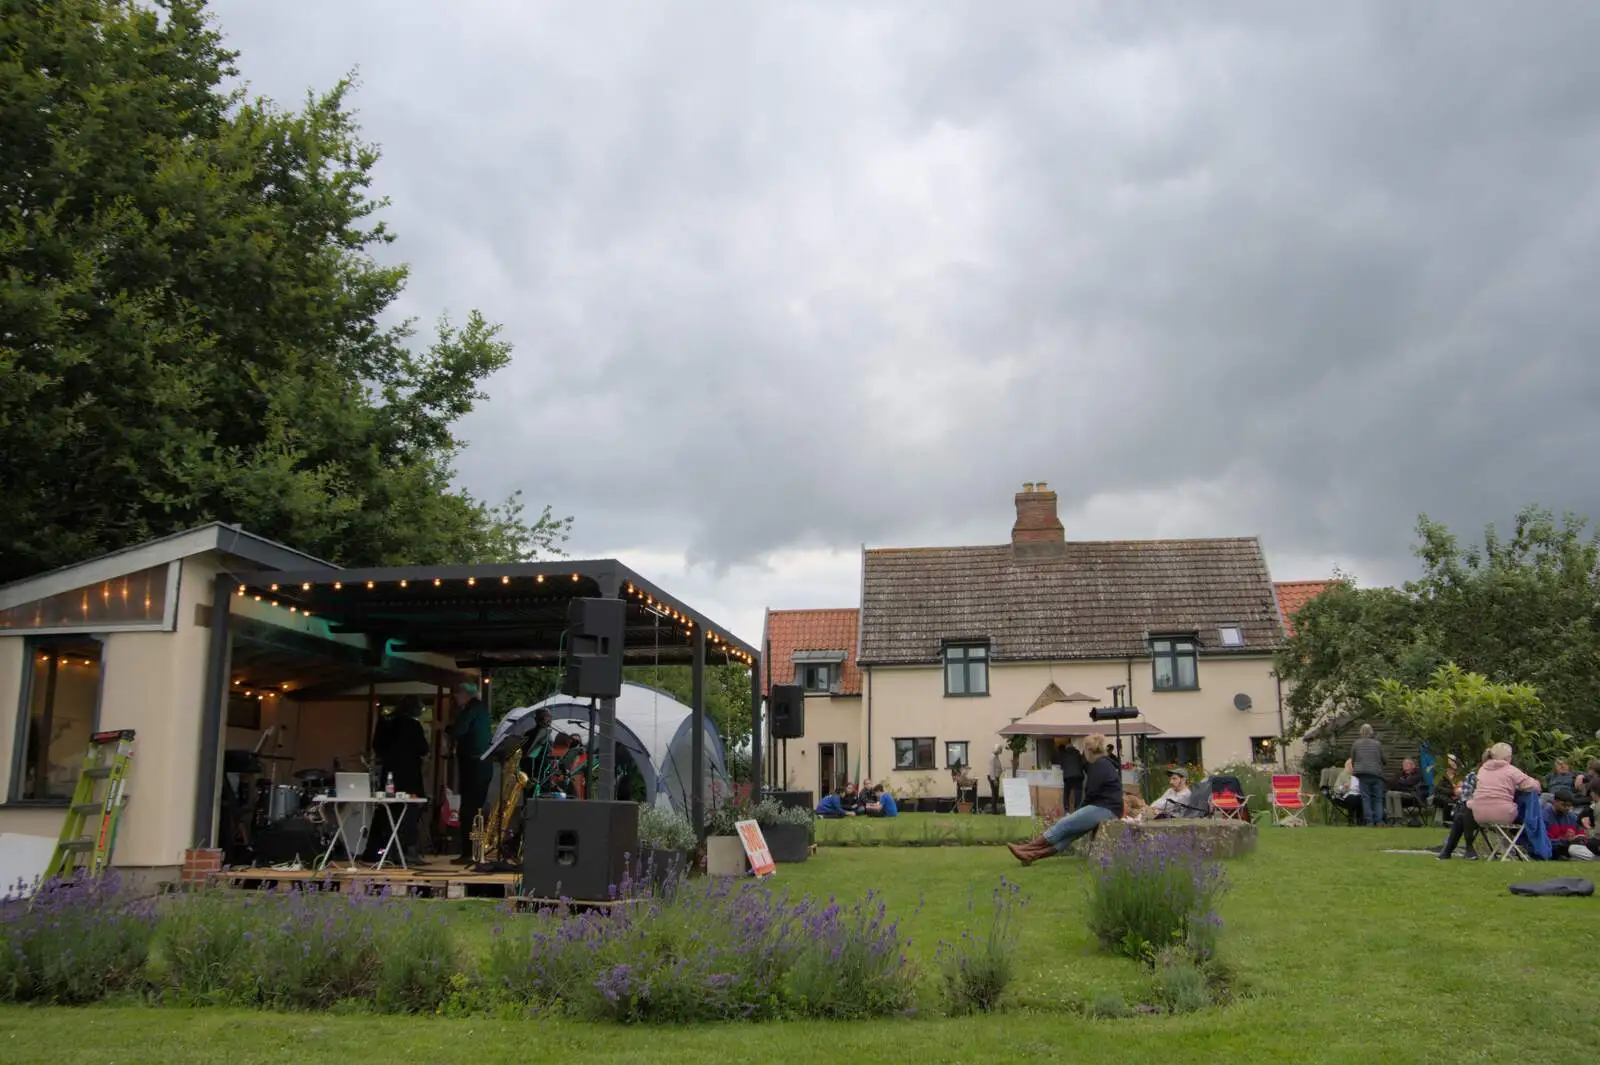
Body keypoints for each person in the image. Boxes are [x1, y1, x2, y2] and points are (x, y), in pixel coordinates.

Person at [1007, 734, 1121, 864]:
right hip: (1110, 808)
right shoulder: (1104, 764)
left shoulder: (1099, 765)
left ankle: (1027, 848)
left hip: (1105, 808)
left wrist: (1077, 812)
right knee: (1069, 836)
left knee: (1065, 823)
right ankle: (1032, 855)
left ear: (1088, 750)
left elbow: (1091, 794)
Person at [1438, 743, 1540, 860]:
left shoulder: (1482, 770)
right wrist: (1524, 786)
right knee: (1466, 810)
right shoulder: (1511, 770)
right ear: (1508, 757)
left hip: (1480, 815)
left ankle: (1456, 850)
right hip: (1503, 814)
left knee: (1463, 812)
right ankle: (1465, 849)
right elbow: (1535, 786)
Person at [366, 695, 429, 860]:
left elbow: (377, 746)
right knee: (409, 810)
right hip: (409, 774)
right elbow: (423, 748)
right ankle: (404, 850)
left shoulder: (385, 721)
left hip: (389, 772)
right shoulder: (413, 725)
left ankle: (377, 850)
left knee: (386, 810)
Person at [446, 680, 492, 864]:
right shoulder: (482, 710)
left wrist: (446, 728)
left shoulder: (470, 710)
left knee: (468, 809)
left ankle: (468, 852)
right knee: (477, 809)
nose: (456, 699)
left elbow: (459, 730)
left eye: (457, 695)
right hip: (483, 763)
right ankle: (476, 850)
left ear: (464, 694)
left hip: (472, 765)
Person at [1350, 723, 1386, 826]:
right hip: (1376, 774)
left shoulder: (1356, 744)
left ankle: (1369, 821)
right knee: (1378, 798)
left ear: (1361, 732)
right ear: (1371, 732)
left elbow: (1353, 759)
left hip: (1362, 774)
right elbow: (1383, 759)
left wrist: (1357, 767)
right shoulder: (1377, 744)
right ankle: (1379, 821)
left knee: (1366, 798)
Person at [1546, 788, 1595, 861]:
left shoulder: (1572, 817)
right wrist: (1564, 839)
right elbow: (1545, 842)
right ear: (1555, 802)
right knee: (1571, 849)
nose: (1567, 808)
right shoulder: (1545, 816)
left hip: (1572, 846)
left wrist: (1580, 837)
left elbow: (1581, 835)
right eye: (1564, 805)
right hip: (1555, 849)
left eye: (1569, 806)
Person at [1056, 739, 1085, 813]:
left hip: (1068, 777)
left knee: (1066, 793)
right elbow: (1082, 764)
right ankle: (1077, 809)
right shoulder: (1078, 753)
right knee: (1078, 793)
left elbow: (1061, 766)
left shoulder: (1064, 754)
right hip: (1078, 776)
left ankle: (1066, 810)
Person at [987, 743, 1005, 814]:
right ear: (998, 749)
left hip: (995, 777)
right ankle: (993, 811)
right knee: (995, 794)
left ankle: (994, 810)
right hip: (993, 777)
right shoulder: (993, 757)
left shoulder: (996, 756)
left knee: (996, 794)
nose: (1001, 751)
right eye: (1001, 749)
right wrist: (994, 779)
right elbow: (992, 769)